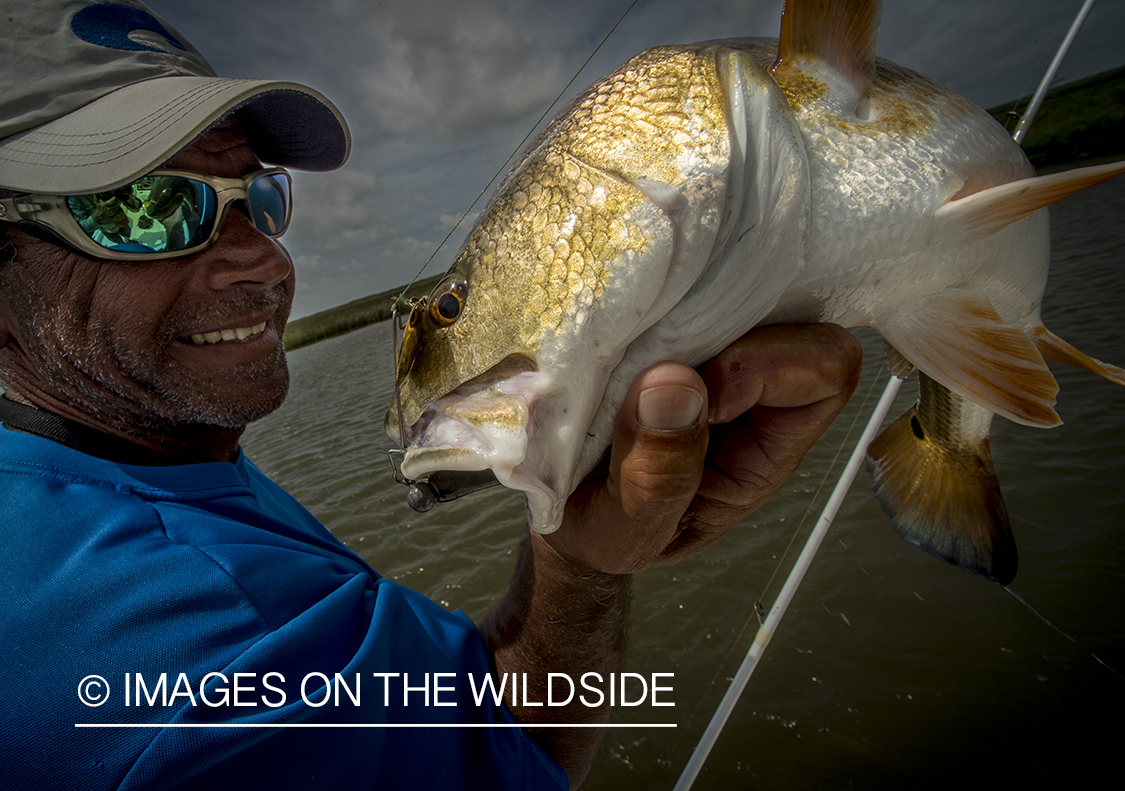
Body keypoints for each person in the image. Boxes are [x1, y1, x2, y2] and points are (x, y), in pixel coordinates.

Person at [0, 1, 862, 788]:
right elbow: (506, 753)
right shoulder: (201, 654)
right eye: (144, 208)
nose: (262, 258)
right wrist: (582, 560)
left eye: (256, 198)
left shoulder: (117, 452)